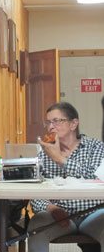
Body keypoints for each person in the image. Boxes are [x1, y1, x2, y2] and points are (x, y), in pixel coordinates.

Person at [28, 101, 104, 252]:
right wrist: (50, 207)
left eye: (56, 121)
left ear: (73, 124)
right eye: (48, 122)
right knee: (36, 225)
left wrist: (60, 160)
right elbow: (34, 191)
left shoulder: (96, 147)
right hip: (59, 217)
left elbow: (95, 179)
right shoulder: (43, 155)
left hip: (94, 213)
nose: (50, 127)